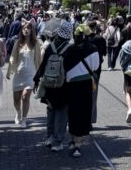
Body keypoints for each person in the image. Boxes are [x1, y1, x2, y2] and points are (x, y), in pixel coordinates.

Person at [36, 20, 73, 151]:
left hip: (49, 84)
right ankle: (58, 140)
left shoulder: (50, 46)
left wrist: (37, 79)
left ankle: (49, 137)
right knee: (61, 113)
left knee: (50, 110)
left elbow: (43, 65)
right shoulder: (70, 48)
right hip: (63, 85)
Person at [66, 24, 100, 157]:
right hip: (86, 84)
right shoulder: (93, 49)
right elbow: (96, 66)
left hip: (72, 84)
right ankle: (78, 144)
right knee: (84, 112)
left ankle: (73, 139)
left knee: (73, 112)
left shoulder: (70, 49)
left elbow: (65, 66)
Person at [7, 21, 43, 128]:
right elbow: (12, 57)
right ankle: (18, 113)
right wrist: (9, 71)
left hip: (30, 75)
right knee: (16, 100)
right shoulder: (17, 43)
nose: (26, 30)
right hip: (19, 74)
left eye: (28, 28)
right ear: (21, 31)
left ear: (32, 30)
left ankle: (24, 119)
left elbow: (39, 60)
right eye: (24, 28)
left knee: (25, 96)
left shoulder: (36, 44)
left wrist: (39, 76)